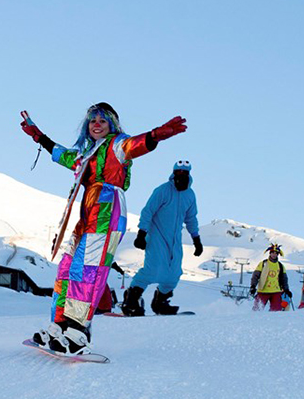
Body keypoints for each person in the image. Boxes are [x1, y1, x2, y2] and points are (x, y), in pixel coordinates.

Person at [20, 102, 187, 354]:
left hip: (107, 209)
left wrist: (155, 136)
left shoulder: (116, 145)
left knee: (88, 269)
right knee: (67, 267)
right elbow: (62, 154)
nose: (96, 124)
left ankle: (78, 331)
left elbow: (134, 146)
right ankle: (60, 324)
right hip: (86, 212)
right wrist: (39, 136)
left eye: (102, 120)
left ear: (112, 125)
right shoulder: (87, 153)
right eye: (92, 120)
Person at [121, 160, 202, 316]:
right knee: (152, 270)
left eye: (184, 173)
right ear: (173, 173)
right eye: (178, 173)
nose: (181, 176)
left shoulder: (190, 195)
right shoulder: (163, 191)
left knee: (174, 273)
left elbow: (191, 218)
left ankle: (160, 302)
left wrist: (196, 239)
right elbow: (148, 211)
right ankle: (131, 299)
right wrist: (141, 233)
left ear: (189, 175)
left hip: (175, 239)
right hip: (157, 235)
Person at [250, 243, 292, 311]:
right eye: (272, 252)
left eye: (276, 253)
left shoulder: (280, 266)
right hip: (263, 290)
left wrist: (286, 289)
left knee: (276, 311)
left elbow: (284, 279)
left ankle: (273, 321)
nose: (274, 254)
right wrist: (253, 286)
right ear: (270, 253)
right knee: (257, 310)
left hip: (276, 291)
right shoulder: (263, 263)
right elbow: (255, 275)